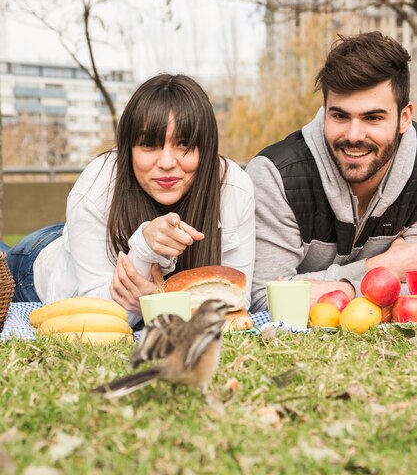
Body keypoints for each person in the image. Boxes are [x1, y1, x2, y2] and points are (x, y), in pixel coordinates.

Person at [5, 73, 255, 326]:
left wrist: (158, 301)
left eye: (184, 144)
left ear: (207, 147)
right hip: (37, 265)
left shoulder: (234, 187)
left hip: (83, 241)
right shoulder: (96, 186)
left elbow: (237, 298)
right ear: (128, 148)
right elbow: (98, 316)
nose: (167, 163)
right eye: (149, 145)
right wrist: (146, 248)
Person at [247, 31, 417, 312]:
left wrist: (326, 287)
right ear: (325, 110)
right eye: (340, 115)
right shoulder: (276, 176)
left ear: (404, 117)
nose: (353, 135)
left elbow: (412, 290)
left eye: (373, 118)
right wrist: (381, 268)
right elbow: (266, 300)